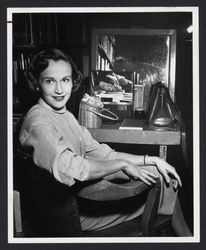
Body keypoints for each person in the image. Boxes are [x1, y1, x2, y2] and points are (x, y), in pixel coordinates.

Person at [19, 48, 192, 236]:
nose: (59, 89)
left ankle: (186, 238)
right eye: (50, 81)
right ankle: (186, 238)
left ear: (72, 82)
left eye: (65, 80)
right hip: (68, 217)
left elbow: (105, 154)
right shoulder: (38, 122)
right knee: (165, 187)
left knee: (163, 175)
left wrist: (151, 160)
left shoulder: (65, 116)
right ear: (37, 83)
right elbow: (73, 168)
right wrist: (122, 164)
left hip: (75, 203)